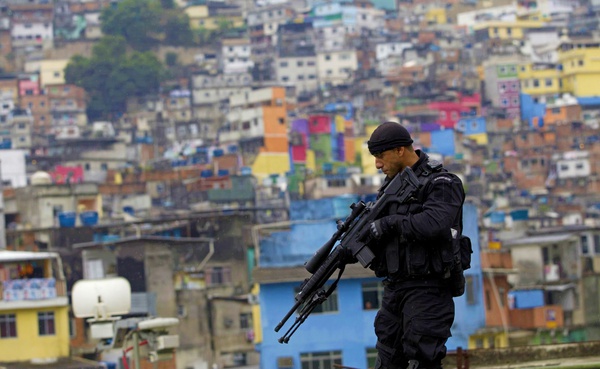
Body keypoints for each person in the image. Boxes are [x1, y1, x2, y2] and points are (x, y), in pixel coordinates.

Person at [361, 121, 466, 369]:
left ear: (400, 150)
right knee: (387, 359)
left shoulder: (441, 182)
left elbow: (434, 223)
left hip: (429, 288)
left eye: (381, 156)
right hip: (396, 288)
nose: (377, 164)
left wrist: (390, 224)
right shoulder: (389, 189)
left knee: (422, 360)